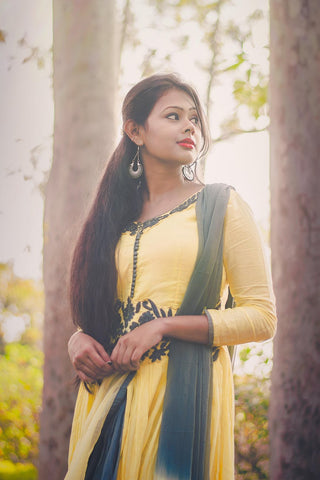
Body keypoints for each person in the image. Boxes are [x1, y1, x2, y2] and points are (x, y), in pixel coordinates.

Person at [65, 73, 277, 480]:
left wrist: (163, 326)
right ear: (136, 130)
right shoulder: (114, 219)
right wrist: (78, 338)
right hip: (107, 401)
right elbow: (101, 311)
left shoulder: (221, 206)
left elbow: (262, 317)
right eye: (174, 116)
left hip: (181, 401)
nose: (189, 127)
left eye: (194, 118)